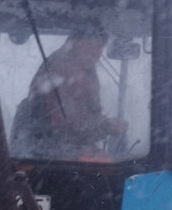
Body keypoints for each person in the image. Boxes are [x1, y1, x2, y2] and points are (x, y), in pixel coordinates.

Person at [11, 19, 125, 157]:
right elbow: (65, 124)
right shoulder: (62, 69)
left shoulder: (83, 68)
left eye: (100, 47)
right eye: (93, 46)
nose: (98, 53)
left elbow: (88, 113)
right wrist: (105, 127)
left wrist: (103, 124)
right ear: (77, 42)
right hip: (49, 156)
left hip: (60, 150)